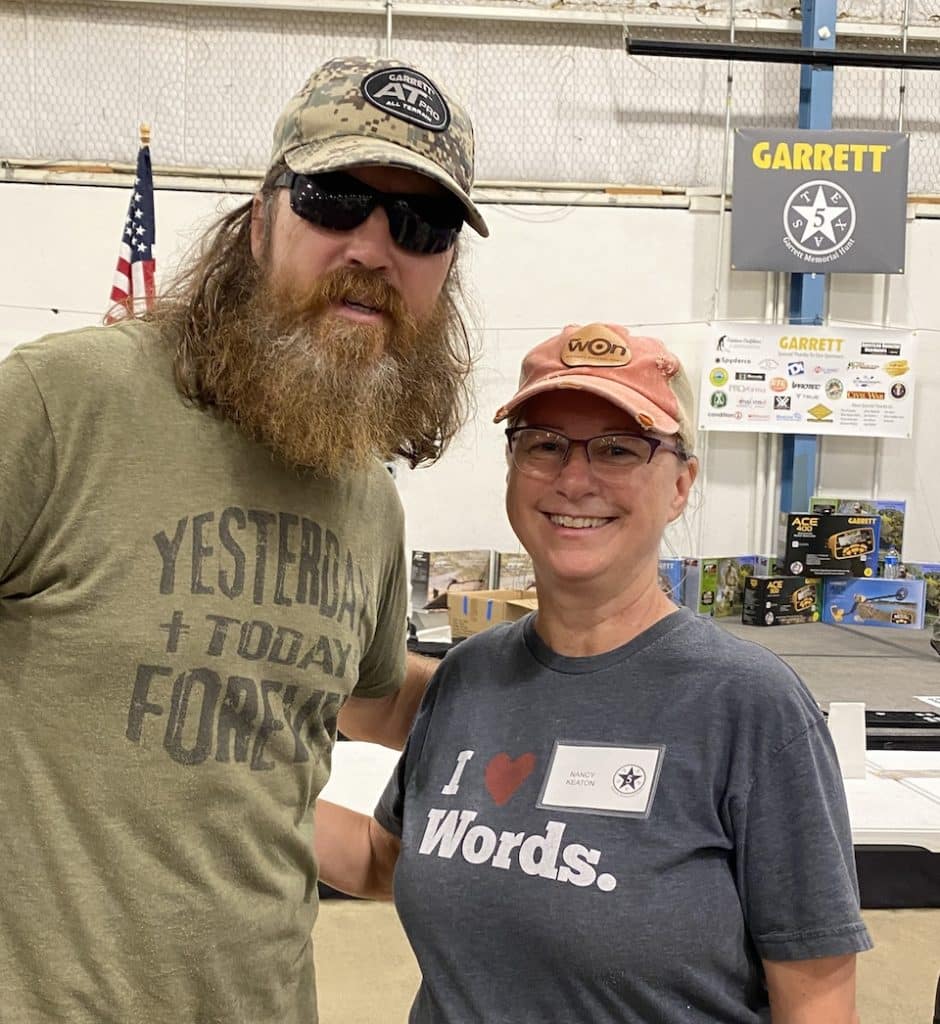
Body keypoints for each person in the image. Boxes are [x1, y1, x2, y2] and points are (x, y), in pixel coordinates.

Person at [0, 56, 487, 1023]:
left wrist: (617, 694)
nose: (373, 247)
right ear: (261, 219)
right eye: (336, 199)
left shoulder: (366, 499)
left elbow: (369, 704)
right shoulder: (64, 405)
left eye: (419, 225)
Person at [316, 321, 873, 1023]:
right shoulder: (471, 676)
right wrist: (227, 797)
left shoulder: (749, 706)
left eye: (618, 449)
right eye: (543, 444)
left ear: (680, 485)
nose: (574, 479)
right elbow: (385, 857)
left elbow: (817, 993)